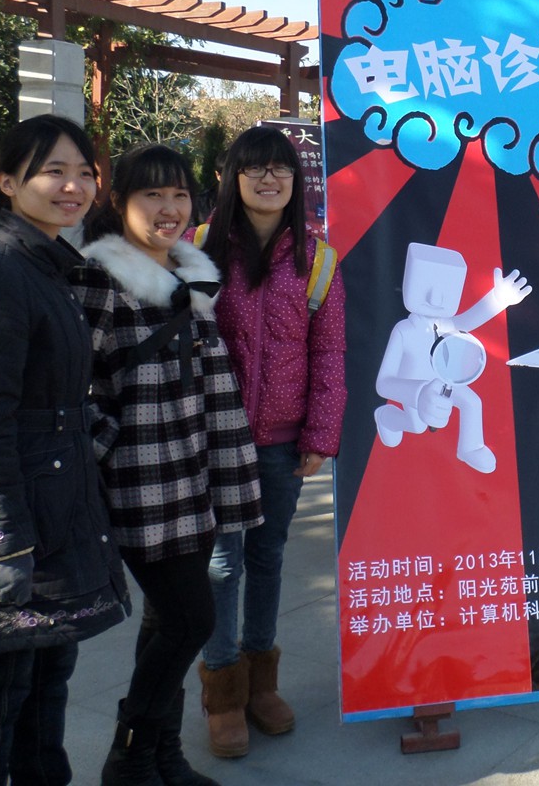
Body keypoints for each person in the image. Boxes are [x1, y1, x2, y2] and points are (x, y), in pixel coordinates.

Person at [0, 114, 130, 786]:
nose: (73, 186)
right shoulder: (1, 271)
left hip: (56, 506)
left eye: (84, 173)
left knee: (46, 675)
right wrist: (3, 542)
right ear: (8, 182)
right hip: (17, 518)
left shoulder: (45, 264)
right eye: (53, 171)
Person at [74, 143, 263, 786]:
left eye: (179, 194)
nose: (169, 208)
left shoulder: (194, 279)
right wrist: (112, 446)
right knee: (192, 619)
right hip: (142, 482)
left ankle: (161, 757)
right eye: (151, 194)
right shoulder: (99, 280)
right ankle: (129, 756)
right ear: (119, 201)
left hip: (197, 475)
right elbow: (68, 389)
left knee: (165, 621)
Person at [190, 126, 346, 758]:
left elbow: (330, 352)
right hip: (215, 437)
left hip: (283, 442)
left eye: (280, 168)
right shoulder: (199, 247)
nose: (268, 179)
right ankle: (222, 690)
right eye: (253, 168)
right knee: (221, 564)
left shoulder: (318, 259)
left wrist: (320, 434)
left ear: (295, 181)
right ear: (232, 178)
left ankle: (261, 683)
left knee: (268, 557)